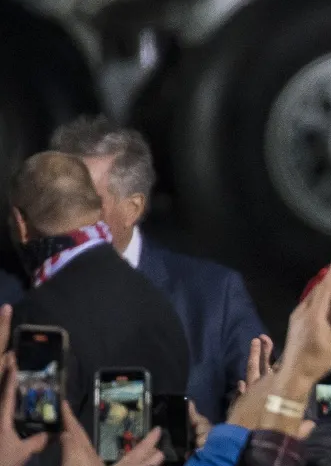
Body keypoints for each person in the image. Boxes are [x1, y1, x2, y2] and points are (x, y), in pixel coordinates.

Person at [49, 117, 266, 423]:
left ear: (132, 208)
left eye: (83, 203)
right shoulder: (13, 295)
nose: (63, 217)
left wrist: (210, 440)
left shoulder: (215, 296)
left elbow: (270, 420)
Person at [7, 152, 189, 416]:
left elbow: (35, 435)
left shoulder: (38, 318)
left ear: (21, 224)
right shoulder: (158, 305)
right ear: (98, 209)